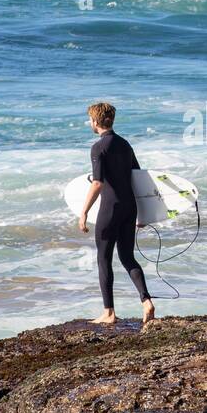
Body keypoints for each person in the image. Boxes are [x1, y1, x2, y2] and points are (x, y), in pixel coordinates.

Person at [77, 102, 156, 326]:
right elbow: (139, 178)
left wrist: (83, 212)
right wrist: (143, 215)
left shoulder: (98, 148)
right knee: (127, 257)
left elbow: (98, 183)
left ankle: (109, 313)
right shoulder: (125, 144)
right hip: (129, 208)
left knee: (104, 259)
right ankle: (146, 301)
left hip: (109, 209)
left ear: (94, 121)